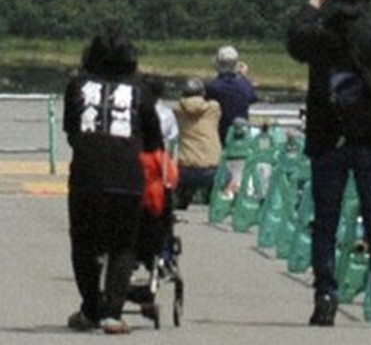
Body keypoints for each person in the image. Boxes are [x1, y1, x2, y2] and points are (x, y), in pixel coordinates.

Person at [287, 0, 371, 328]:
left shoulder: (319, 36)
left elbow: (295, 36)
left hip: (328, 139)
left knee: (326, 221)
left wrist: (314, 0)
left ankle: (325, 298)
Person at [63, 23, 164, 335]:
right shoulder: (140, 89)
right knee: (123, 245)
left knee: (83, 242)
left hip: (87, 175)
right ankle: (112, 313)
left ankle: (90, 308)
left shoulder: (77, 85)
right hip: (126, 175)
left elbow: (71, 130)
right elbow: (154, 138)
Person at [173, 76, 222, 209]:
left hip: (186, 168)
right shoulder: (213, 108)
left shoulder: (178, 110)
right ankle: (213, 201)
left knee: (183, 185)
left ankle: (182, 202)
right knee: (226, 175)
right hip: (212, 168)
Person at [204, 44, 259, 143]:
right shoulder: (244, 85)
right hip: (242, 134)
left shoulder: (212, 87)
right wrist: (243, 77)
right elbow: (253, 98)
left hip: (220, 135)